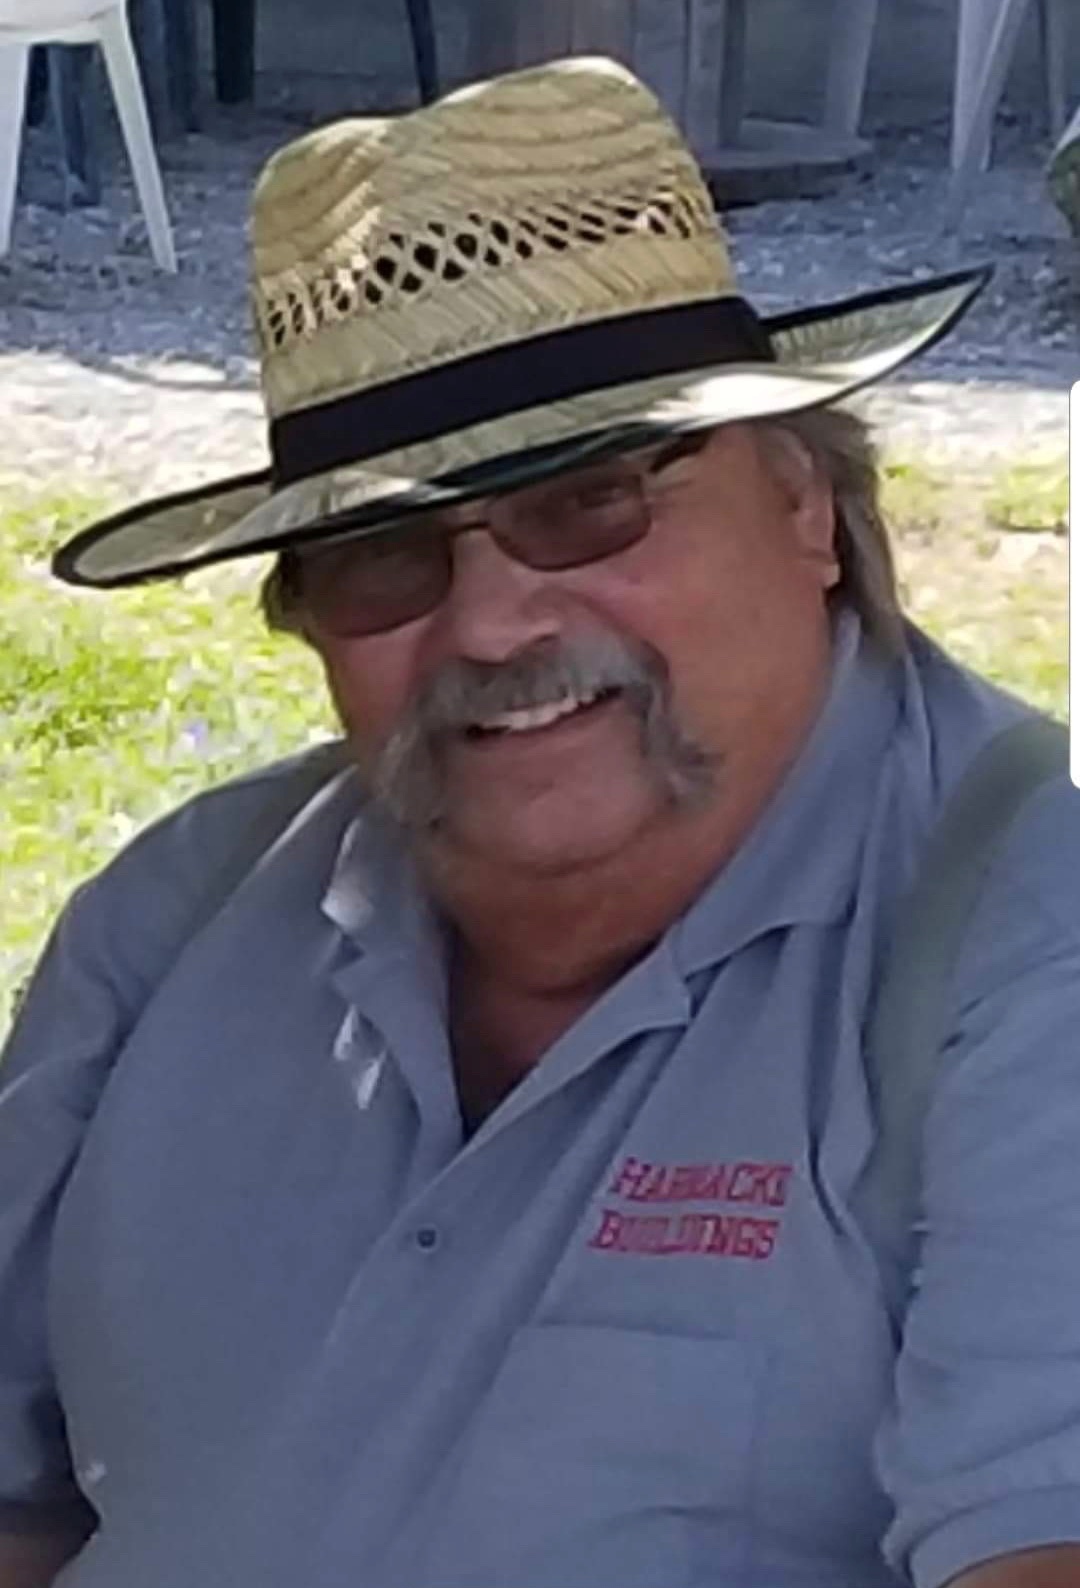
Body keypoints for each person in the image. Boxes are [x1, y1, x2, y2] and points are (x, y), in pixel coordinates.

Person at [1, 55, 1078, 1588]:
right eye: (380, 554)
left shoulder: (1024, 942)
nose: (496, 622)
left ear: (807, 506)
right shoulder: (180, 912)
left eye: (586, 502)